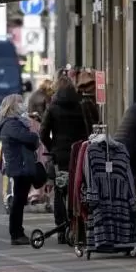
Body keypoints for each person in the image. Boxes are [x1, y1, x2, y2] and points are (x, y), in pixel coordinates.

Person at [39, 82, 94, 239]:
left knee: (60, 190)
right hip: (78, 153)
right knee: (78, 188)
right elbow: (90, 129)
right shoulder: (81, 106)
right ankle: (77, 224)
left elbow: (43, 133)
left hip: (59, 156)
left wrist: (52, 147)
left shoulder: (52, 108)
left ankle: (61, 229)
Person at [0, 93, 40, 246]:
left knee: (20, 201)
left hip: (22, 166)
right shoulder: (11, 124)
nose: (23, 105)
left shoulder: (18, 123)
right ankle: (16, 233)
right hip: (19, 167)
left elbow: (33, 141)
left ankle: (18, 232)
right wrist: (33, 136)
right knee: (18, 201)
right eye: (20, 102)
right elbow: (30, 139)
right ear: (12, 106)